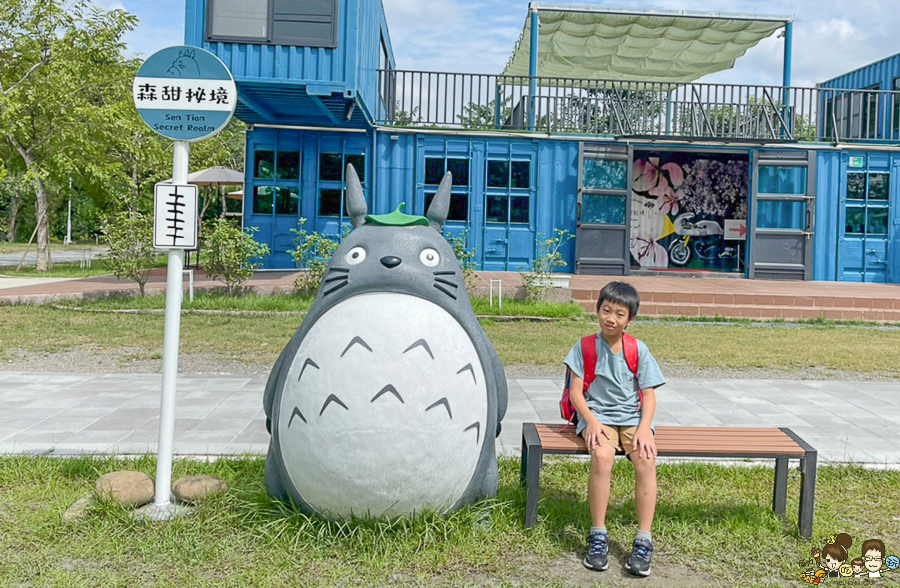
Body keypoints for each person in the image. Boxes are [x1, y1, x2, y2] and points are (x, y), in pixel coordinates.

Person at [563, 281, 665, 577]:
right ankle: (598, 535)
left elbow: (648, 394)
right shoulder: (583, 346)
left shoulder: (638, 349)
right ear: (597, 310)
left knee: (646, 460)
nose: (611, 318)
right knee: (602, 457)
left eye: (620, 314)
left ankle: (644, 540)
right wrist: (591, 422)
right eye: (606, 310)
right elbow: (576, 394)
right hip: (597, 417)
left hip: (633, 419)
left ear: (630, 320)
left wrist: (645, 429)